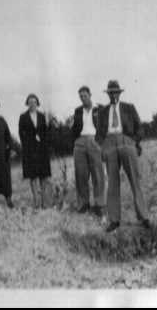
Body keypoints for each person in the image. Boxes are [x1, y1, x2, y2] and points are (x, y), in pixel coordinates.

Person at [96, 80, 151, 232]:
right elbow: (98, 134)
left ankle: (144, 217)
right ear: (108, 94)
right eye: (111, 92)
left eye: (116, 92)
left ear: (120, 93)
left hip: (127, 142)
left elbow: (140, 128)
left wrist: (133, 142)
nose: (113, 95)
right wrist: (103, 146)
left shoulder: (129, 108)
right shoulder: (102, 112)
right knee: (112, 183)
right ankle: (114, 220)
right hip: (110, 143)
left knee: (135, 179)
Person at [71, 86, 106, 216]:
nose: (83, 98)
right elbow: (75, 128)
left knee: (98, 174)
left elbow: (104, 127)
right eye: (80, 97)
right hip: (80, 142)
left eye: (85, 96)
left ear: (90, 95)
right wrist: (75, 142)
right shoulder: (78, 111)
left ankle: (100, 204)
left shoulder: (100, 108)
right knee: (81, 175)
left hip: (95, 141)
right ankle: (83, 203)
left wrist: (101, 142)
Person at [19, 94, 51, 209]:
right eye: (30, 102)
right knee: (33, 175)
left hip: (42, 149)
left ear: (37, 103)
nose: (32, 104)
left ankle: (44, 201)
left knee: (43, 175)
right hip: (29, 150)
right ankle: (36, 201)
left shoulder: (42, 116)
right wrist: (26, 145)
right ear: (27, 104)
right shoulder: (23, 117)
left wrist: (43, 141)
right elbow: (20, 133)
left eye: (34, 102)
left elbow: (45, 131)